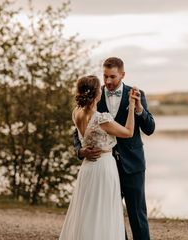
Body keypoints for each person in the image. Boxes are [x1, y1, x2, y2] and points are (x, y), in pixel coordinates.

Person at [74, 57, 155, 240]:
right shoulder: (95, 95)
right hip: (105, 168)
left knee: (137, 215)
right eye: (105, 76)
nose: (108, 81)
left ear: (122, 75)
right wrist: (80, 151)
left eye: (112, 77)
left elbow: (149, 129)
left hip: (132, 165)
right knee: (109, 216)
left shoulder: (136, 94)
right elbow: (78, 132)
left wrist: (139, 109)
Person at [59, 75, 139, 240]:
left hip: (88, 168)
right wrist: (131, 106)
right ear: (97, 94)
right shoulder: (101, 119)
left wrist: (81, 151)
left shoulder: (77, 113)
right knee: (103, 211)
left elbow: (79, 137)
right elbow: (129, 132)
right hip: (104, 167)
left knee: (86, 212)